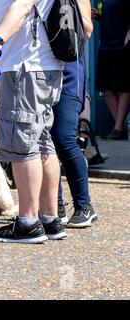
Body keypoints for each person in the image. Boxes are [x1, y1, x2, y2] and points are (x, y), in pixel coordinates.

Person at [0, 0, 67, 243]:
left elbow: (22, 6)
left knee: (23, 141)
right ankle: (49, 218)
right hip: (42, 65)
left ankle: (28, 222)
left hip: (24, 65)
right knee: (41, 140)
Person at [50, 0, 98, 228]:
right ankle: (55, 204)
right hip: (39, 73)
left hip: (69, 74)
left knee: (63, 138)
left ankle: (84, 205)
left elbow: (87, 29)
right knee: (44, 142)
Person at [93, 0, 130, 140]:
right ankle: (119, 127)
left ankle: (118, 128)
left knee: (123, 88)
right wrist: (99, 16)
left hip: (123, 45)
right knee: (105, 88)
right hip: (105, 45)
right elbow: (110, 15)